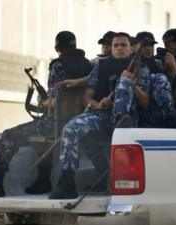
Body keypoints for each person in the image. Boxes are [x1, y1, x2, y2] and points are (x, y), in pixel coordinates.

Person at [0, 31, 93, 197]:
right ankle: (42, 181)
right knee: (41, 139)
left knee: (7, 136)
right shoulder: (88, 65)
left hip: (57, 123)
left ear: (57, 47)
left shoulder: (58, 65)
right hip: (80, 120)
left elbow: (55, 100)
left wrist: (42, 102)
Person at [48, 32, 150, 199]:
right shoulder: (101, 68)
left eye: (123, 45)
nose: (119, 48)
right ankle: (67, 183)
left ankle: (119, 124)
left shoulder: (142, 69)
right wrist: (98, 104)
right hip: (102, 115)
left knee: (124, 82)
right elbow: (86, 97)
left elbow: (146, 103)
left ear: (131, 48)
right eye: (116, 45)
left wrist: (132, 84)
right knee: (70, 128)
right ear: (111, 48)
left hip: (129, 119)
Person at [134, 31, 176, 128]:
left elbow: (173, 90)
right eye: (145, 45)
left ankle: (170, 121)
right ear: (136, 46)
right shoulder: (133, 64)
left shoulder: (159, 64)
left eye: (151, 45)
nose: (149, 48)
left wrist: (174, 68)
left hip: (161, 111)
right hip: (141, 112)